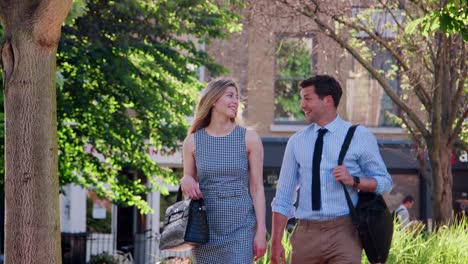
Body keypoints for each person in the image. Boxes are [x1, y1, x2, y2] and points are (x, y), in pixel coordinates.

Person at [270, 75, 393, 264]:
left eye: (307, 98)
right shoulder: (296, 142)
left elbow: (385, 183)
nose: (302, 105)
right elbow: (284, 196)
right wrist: (276, 241)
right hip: (305, 234)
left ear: (327, 100)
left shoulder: (359, 136)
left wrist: (355, 180)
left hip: (344, 232)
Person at [180, 78, 267, 263]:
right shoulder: (192, 141)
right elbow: (188, 179)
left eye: (237, 97)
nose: (235, 101)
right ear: (213, 99)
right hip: (204, 230)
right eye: (230, 96)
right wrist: (185, 180)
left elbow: (257, 188)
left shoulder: (249, 139)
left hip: (241, 228)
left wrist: (261, 230)